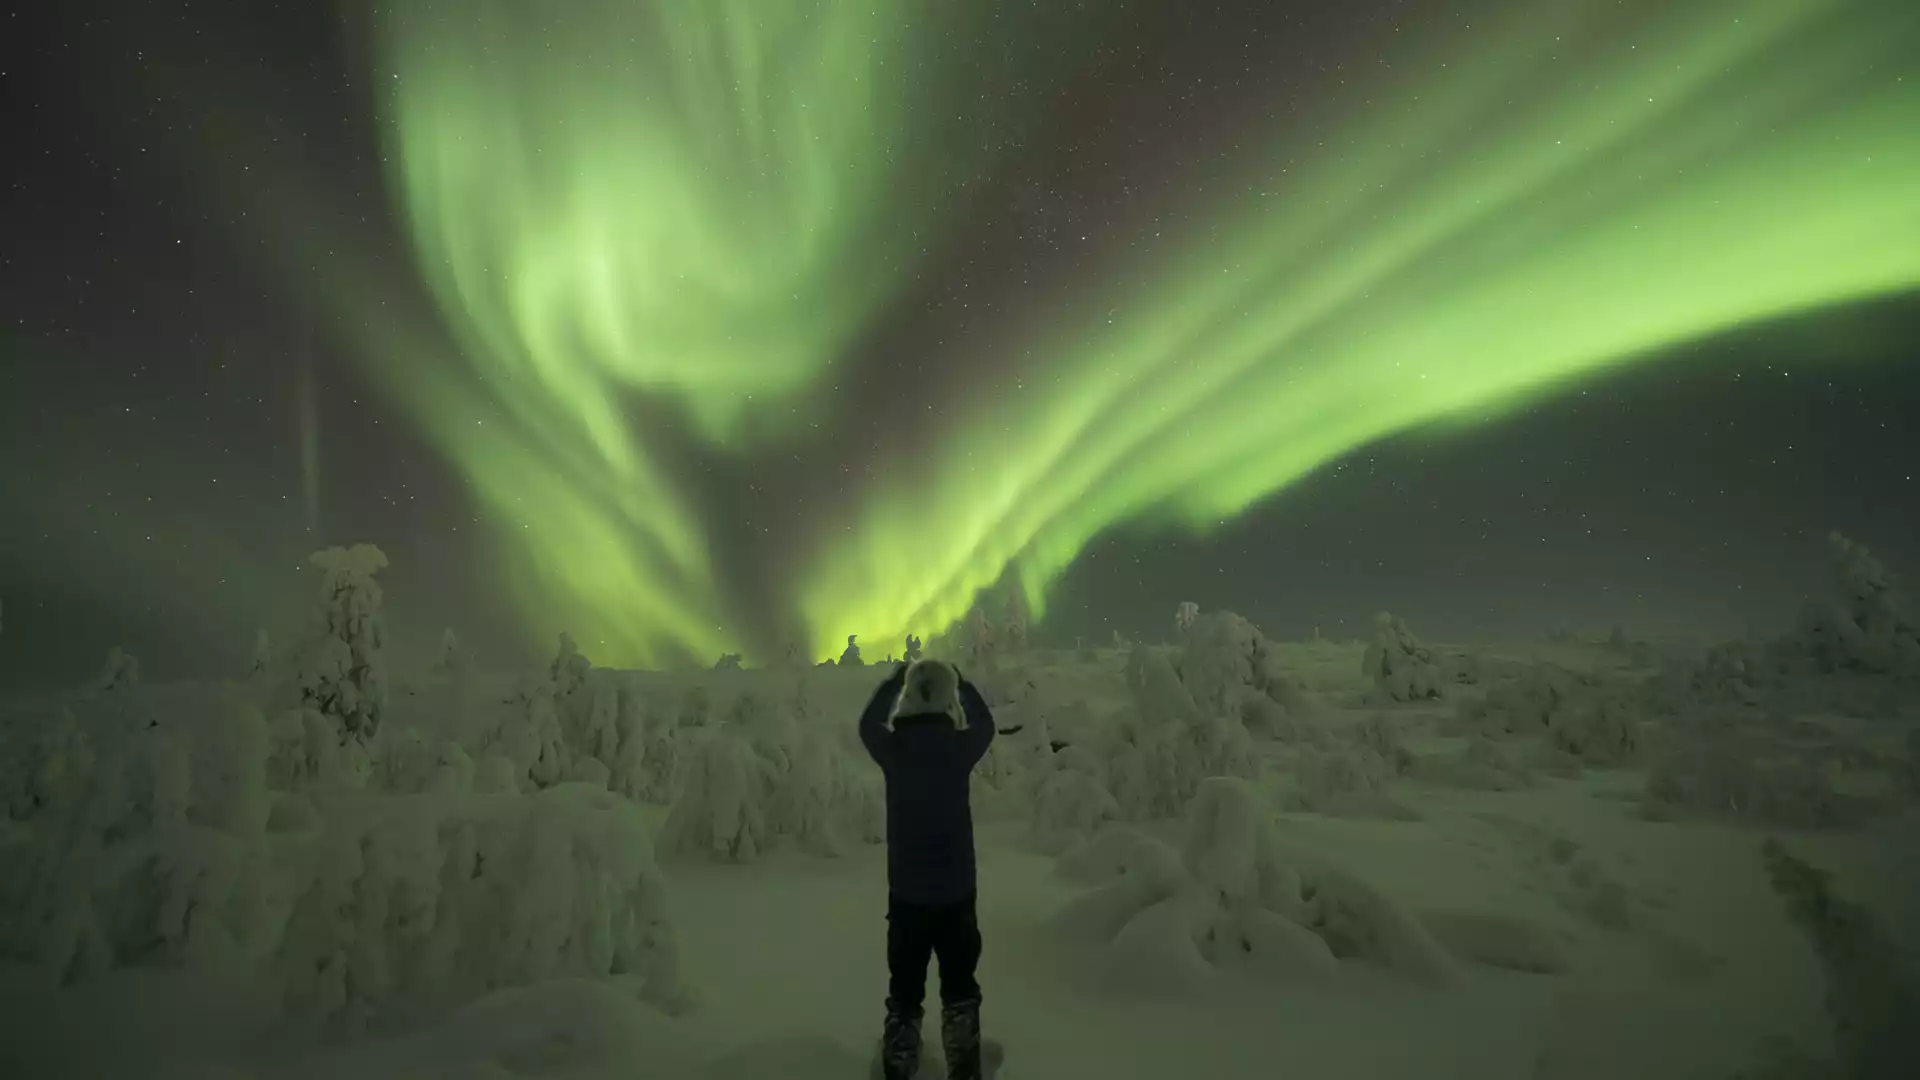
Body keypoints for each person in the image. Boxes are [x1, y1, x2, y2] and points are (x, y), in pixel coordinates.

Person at [858, 659, 996, 1080]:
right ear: (947, 699)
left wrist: (892, 682)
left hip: (907, 895)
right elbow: (986, 726)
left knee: (904, 990)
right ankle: (964, 1062)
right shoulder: (959, 749)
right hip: (957, 893)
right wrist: (966, 684)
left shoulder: (895, 751)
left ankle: (900, 1062)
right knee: (959, 987)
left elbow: (868, 726)